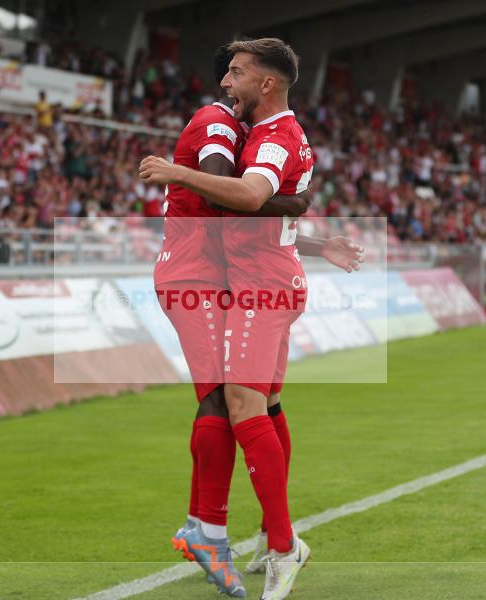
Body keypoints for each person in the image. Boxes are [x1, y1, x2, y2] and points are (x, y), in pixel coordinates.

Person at [142, 38, 361, 600]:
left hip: (255, 286)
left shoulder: (268, 133)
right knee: (255, 404)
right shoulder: (242, 126)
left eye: (236, 73)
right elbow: (256, 207)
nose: (225, 83)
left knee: (237, 405)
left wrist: (177, 173)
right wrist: (307, 230)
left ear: (264, 84)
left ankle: (266, 541)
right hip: (234, 279)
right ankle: (256, 534)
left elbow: (243, 198)